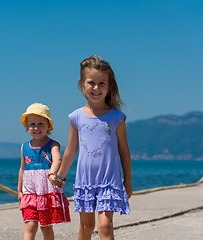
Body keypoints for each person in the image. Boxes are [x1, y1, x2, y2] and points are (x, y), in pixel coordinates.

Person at [50, 55, 132, 240]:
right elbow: (71, 150)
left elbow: (124, 152)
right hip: (85, 181)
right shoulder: (76, 117)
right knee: (86, 228)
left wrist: (128, 181)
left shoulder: (116, 118)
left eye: (102, 83)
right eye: (91, 82)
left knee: (105, 227)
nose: (96, 87)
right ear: (82, 85)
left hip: (109, 181)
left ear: (109, 86)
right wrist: (60, 175)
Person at [18, 103, 71, 240]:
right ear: (27, 127)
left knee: (46, 226)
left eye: (41, 123)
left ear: (48, 126)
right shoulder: (24, 147)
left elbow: (57, 160)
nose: (36, 127)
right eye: (32, 124)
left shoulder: (53, 145)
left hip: (45, 192)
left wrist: (51, 174)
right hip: (30, 192)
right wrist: (19, 191)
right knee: (30, 225)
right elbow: (22, 169)